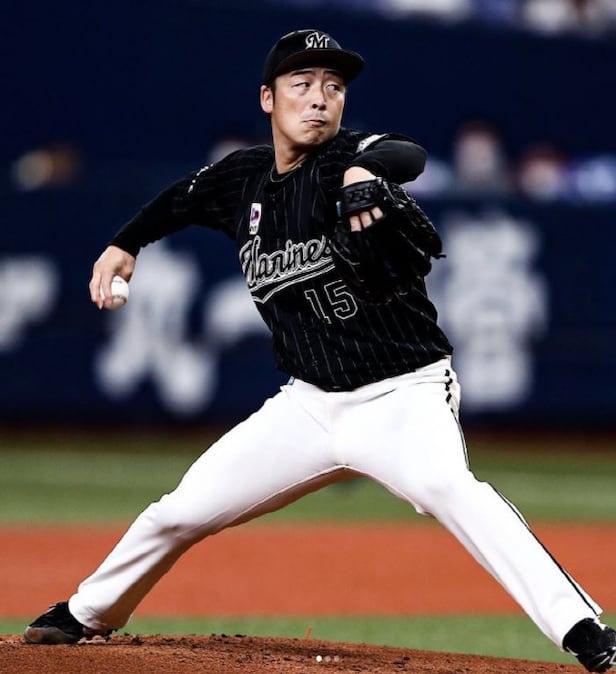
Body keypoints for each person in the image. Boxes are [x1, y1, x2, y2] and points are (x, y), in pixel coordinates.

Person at [24, 28, 616, 672]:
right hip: (307, 405)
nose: (318, 99)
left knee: (451, 489)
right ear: (267, 98)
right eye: (301, 84)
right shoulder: (242, 178)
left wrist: (364, 172)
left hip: (401, 394)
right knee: (180, 511)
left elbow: (405, 152)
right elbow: (180, 200)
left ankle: (584, 630)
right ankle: (88, 612)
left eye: (333, 87)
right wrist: (125, 244)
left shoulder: (345, 159)